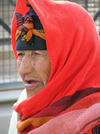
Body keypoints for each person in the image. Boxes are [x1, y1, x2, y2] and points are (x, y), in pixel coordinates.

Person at [9, 0, 100, 133]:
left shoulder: (94, 124)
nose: (23, 69)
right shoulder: (23, 107)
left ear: (72, 60)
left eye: (36, 54)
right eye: (21, 54)